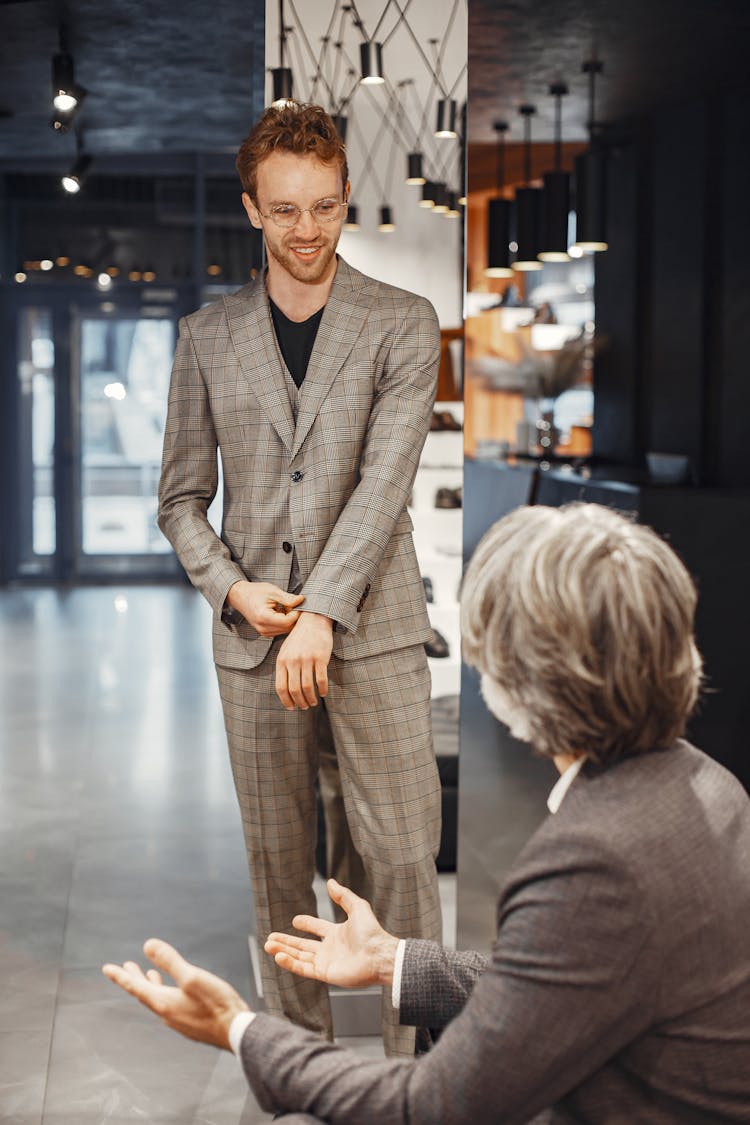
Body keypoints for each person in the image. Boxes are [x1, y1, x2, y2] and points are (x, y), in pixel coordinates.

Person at [104, 502, 750, 1122]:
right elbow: (568, 977)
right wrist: (397, 960)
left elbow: (430, 1106)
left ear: (512, 679)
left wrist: (239, 1030)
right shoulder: (712, 785)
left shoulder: (593, 861)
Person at [156, 100, 442, 1056]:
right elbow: (181, 500)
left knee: (401, 855)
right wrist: (232, 589)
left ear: (345, 199)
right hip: (252, 637)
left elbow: (383, 481)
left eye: (323, 207)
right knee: (280, 862)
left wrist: (321, 611)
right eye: (285, 211)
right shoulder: (206, 336)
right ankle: (297, 1059)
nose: (307, 230)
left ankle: (426, 1068)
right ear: (252, 210)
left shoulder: (403, 323)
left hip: (376, 628)